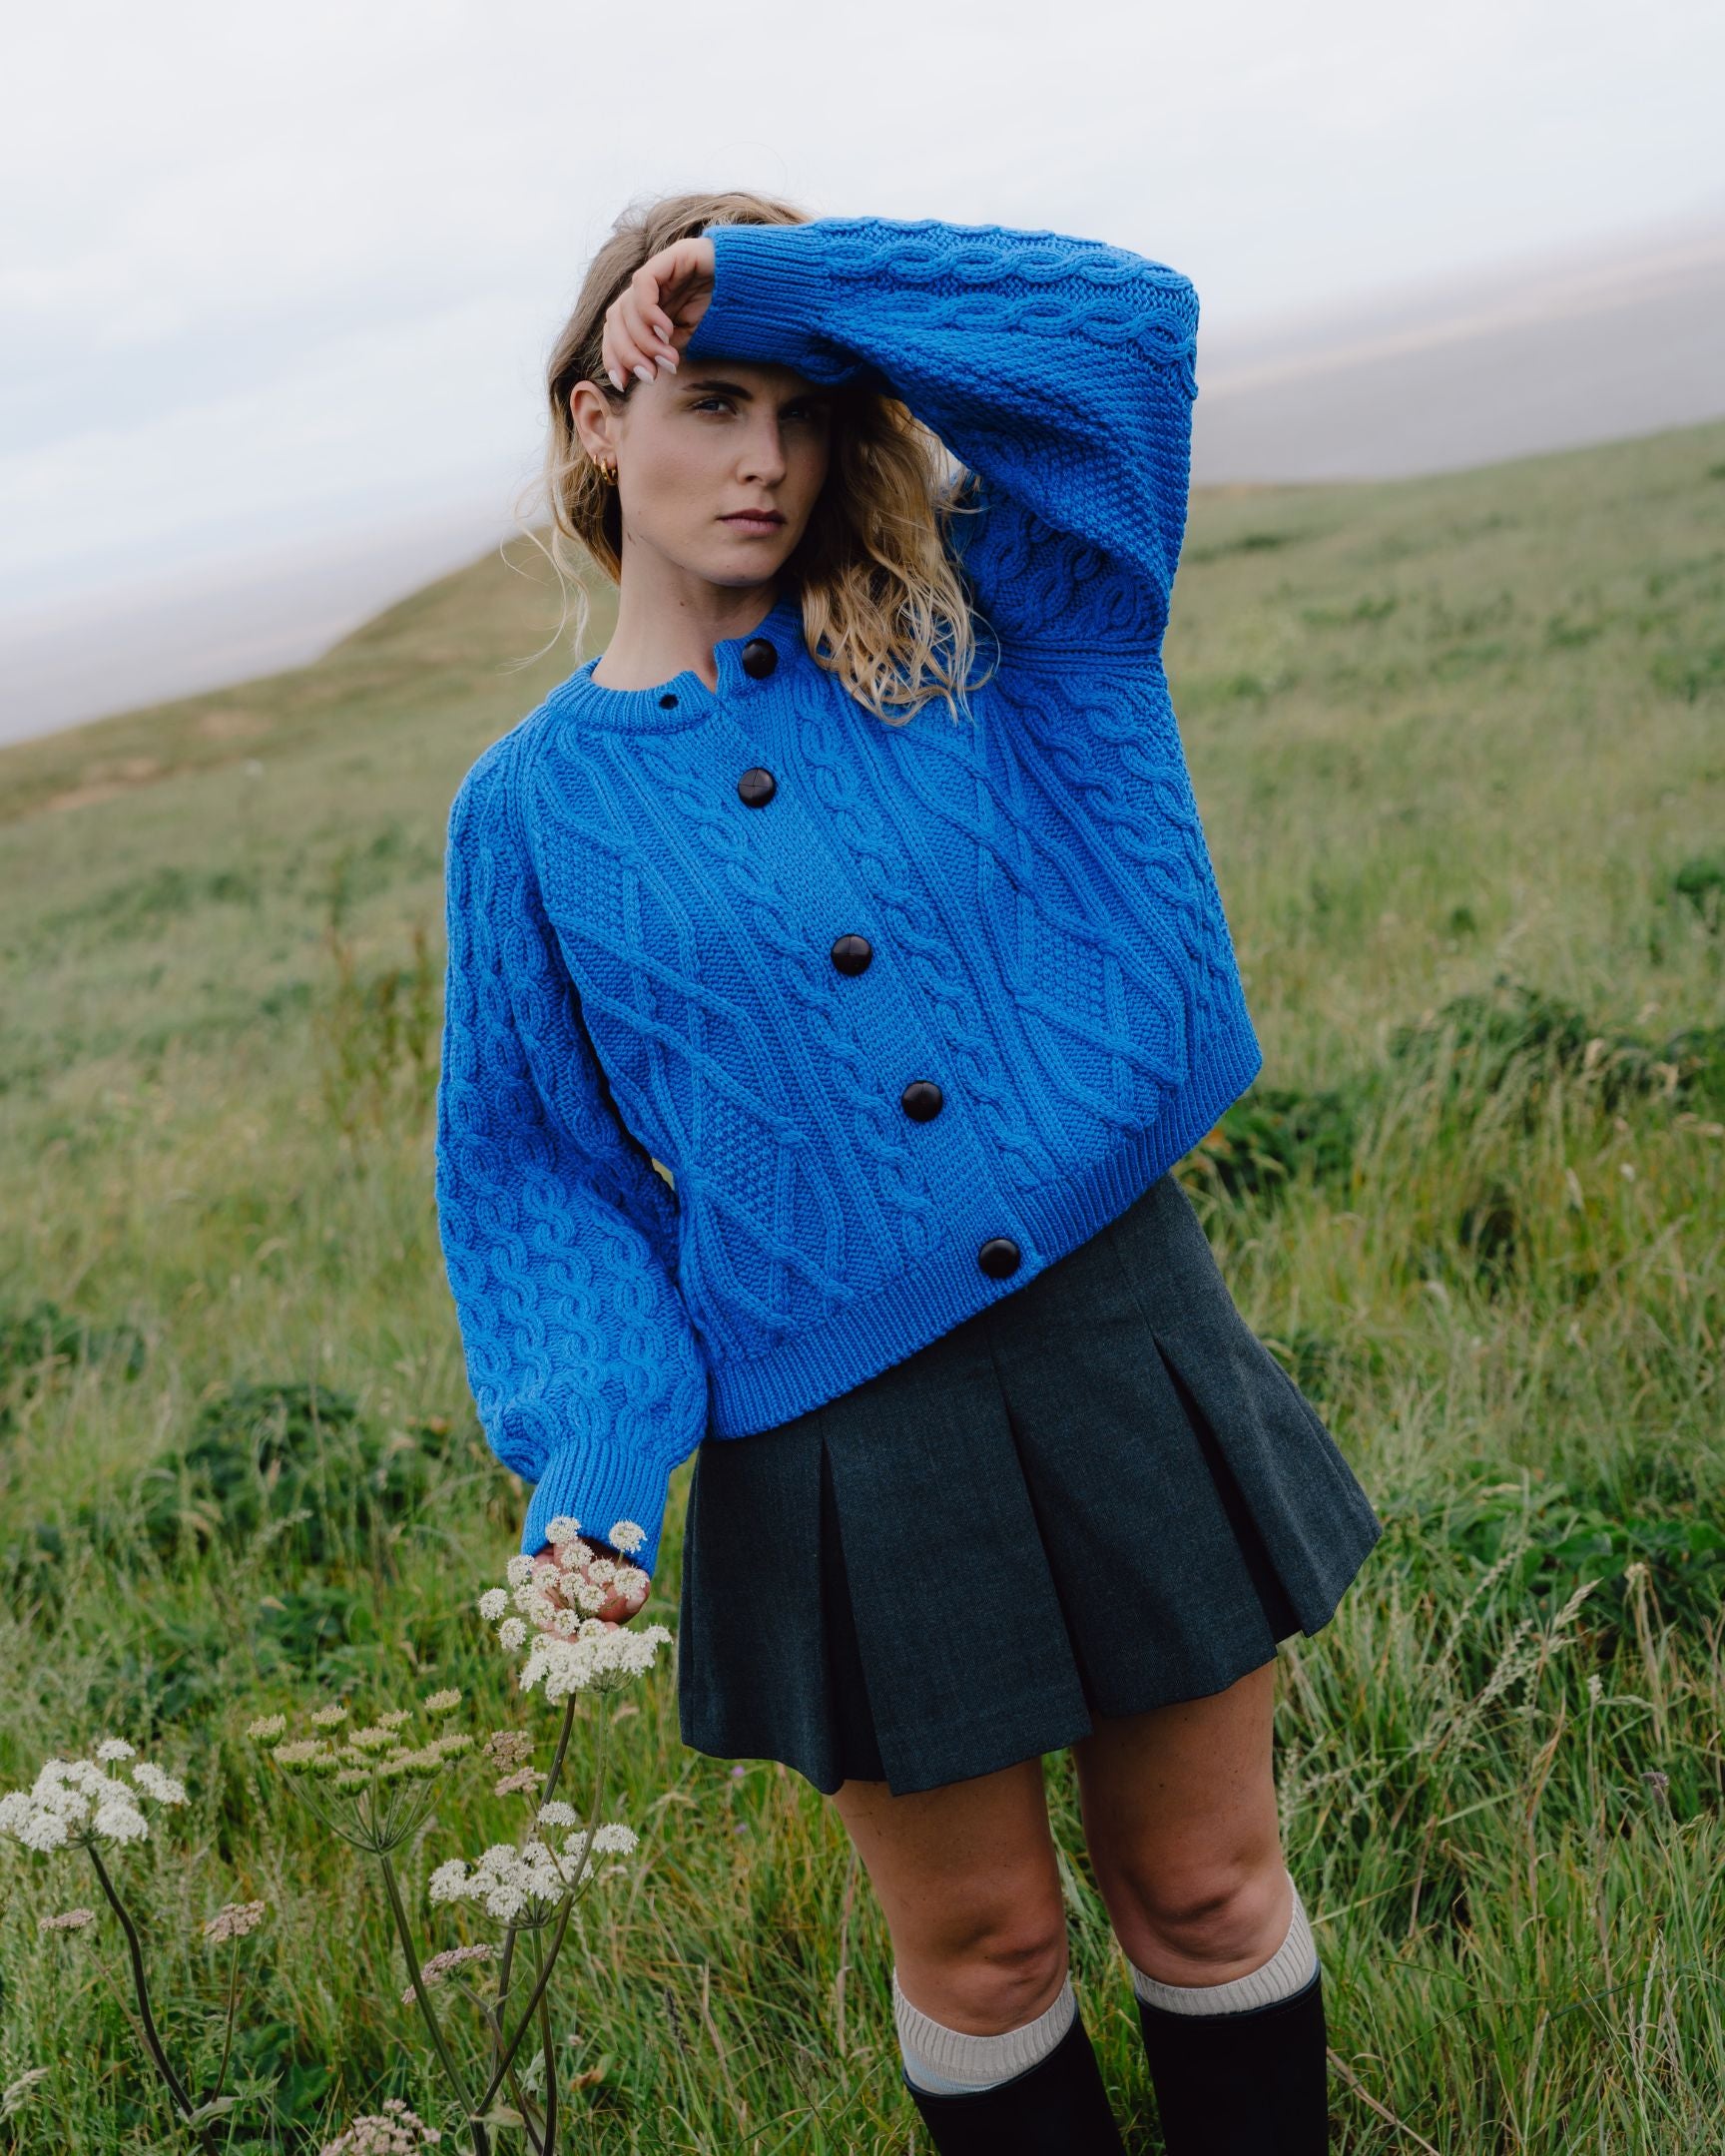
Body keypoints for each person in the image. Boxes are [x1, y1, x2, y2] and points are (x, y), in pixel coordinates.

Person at [433, 188, 1385, 2155]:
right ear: (595, 422)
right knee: (985, 1952)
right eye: (705, 398)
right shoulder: (524, 812)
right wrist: (598, 1462)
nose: (762, 455)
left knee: (1205, 1889)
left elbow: (1125, 333)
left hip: (1122, 1335)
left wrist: (767, 282)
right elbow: (546, 1180)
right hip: (835, 1428)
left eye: (803, 404)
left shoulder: (1003, 627)